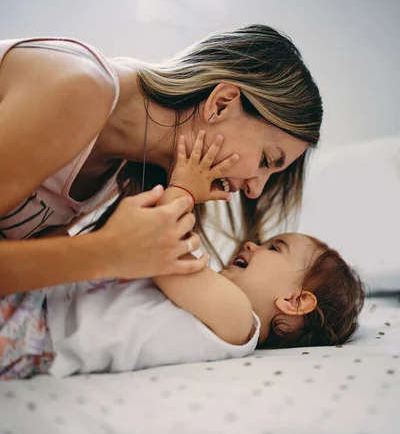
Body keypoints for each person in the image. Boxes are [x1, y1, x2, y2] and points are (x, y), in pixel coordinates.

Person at [0, 134, 364, 380]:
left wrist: (185, 188)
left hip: (36, 333)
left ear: (295, 301)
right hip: (37, 299)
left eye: (274, 248)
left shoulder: (240, 323)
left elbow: (163, 255)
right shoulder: (213, 302)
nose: (252, 244)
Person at [0, 24, 322, 297]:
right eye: (267, 160)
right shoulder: (82, 89)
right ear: (222, 104)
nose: (255, 190)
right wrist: (106, 252)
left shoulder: (122, 170)